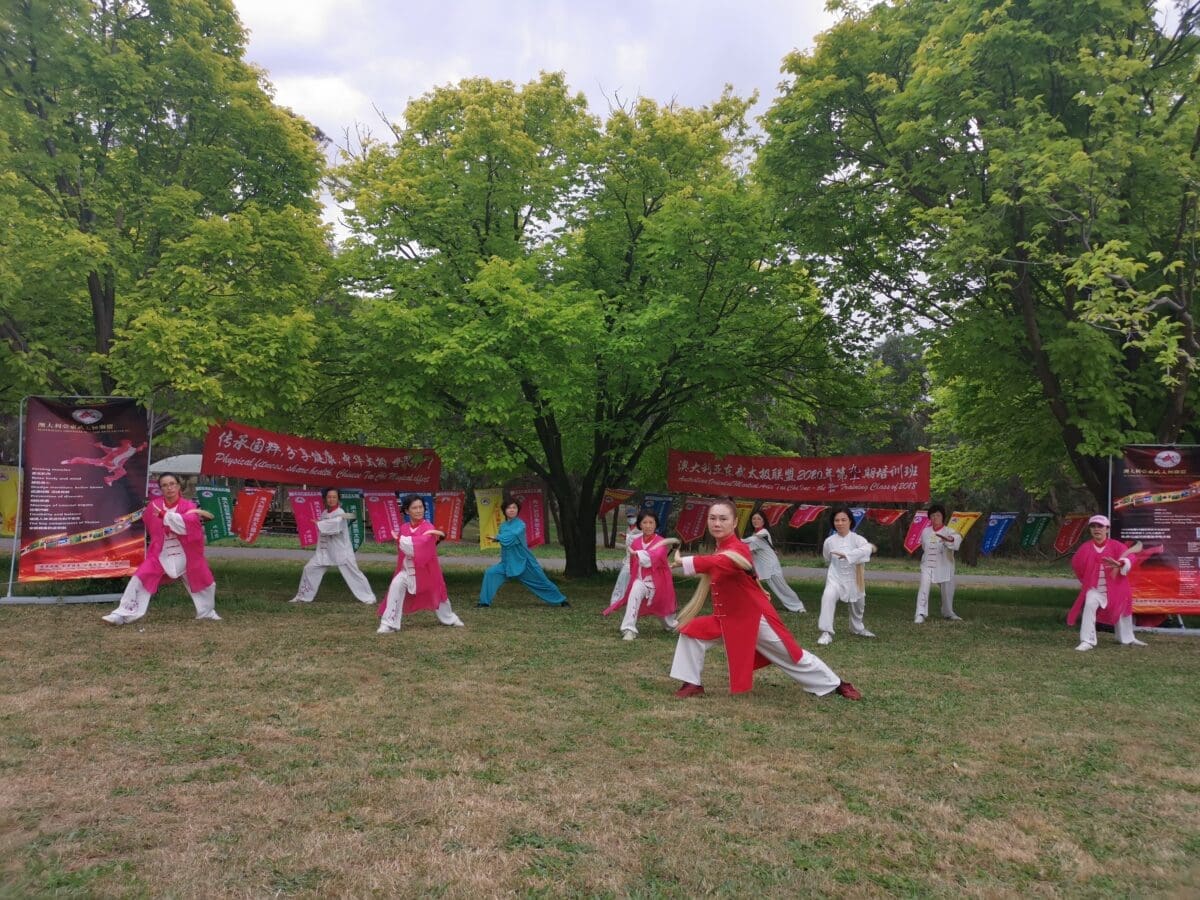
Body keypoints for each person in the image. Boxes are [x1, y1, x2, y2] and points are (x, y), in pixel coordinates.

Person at [668, 497, 860, 700]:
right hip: (727, 618)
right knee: (691, 633)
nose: (717, 523)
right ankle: (691, 683)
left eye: (723, 519)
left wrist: (684, 561)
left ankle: (837, 684)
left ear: (734, 523)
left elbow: (721, 562)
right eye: (712, 518)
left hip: (752, 619)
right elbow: (747, 573)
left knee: (791, 655)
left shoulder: (736, 549)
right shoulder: (722, 547)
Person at [102, 473, 220, 625]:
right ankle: (122, 614)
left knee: (205, 581)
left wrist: (165, 516)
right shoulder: (154, 506)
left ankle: (207, 612)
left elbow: (186, 526)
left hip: (187, 554)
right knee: (140, 578)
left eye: (172, 484)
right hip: (161, 553)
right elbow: (149, 524)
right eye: (165, 485)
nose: (169, 488)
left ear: (178, 486)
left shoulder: (188, 506)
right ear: (161, 489)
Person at [377, 496, 465, 633]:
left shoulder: (428, 527)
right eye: (414, 508)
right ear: (407, 511)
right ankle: (388, 624)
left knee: (439, 596)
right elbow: (404, 548)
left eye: (421, 507)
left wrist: (402, 540)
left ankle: (450, 618)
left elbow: (417, 546)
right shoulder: (404, 528)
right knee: (395, 587)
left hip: (426, 572)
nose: (419, 510)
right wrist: (403, 539)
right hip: (407, 571)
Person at [1067, 514, 1154, 652]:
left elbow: (1130, 557)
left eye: (1100, 526)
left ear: (1107, 529)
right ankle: (1087, 641)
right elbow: (1077, 565)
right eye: (1093, 526)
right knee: (1089, 605)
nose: (1097, 529)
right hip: (1095, 589)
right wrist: (1087, 581)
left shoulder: (1116, 545)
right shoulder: (1085, 548)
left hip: (1116, 587)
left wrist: (1120, 563)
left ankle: (1126, 638)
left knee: (1122, 609)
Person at [289, 487, 376, 605]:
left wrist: (319, 523)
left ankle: (369, 597)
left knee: (354, 573)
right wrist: (320, 523)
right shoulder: (325, 513)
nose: (331, 499)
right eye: (329, 497)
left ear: (338, 499)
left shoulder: (340, 513)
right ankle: (303, 596)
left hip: (341, 551)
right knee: (309, 568)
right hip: (325, 551)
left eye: (334, 497)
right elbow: (325, 527)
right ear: (325, 499)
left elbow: (336, 525)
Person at [478, 497, 569, 608]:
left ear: (517, 510)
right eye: (509, 508)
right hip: (507, 563)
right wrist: (499, 538)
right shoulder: (503, 526)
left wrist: (498, 537)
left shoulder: (521, 525)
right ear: (504, 510)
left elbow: (513, 535)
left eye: (514, 507)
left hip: (524, 562)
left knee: (542, 582)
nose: (511, 510)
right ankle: (484, 603)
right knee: (491, 573)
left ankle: (561, 600)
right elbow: (507, 540)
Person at [602, 510, 679, 639]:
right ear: (640, 525)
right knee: (634, 594)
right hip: (641, 580)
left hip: (658, 582)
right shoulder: (636, 542)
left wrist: (637, 554)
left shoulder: (661, 542)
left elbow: (653, 557)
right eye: (645, 522)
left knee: (664, 611)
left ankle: (672, 626)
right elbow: (633, 565)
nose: (648, 525)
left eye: (651, 522)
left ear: (656, 525)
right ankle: (628, 629)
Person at [816, 506, 876, 645]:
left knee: (858, 605)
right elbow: (827, 558)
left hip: (855, 578)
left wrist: (848, 555)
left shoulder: (858, 539)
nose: (840, 523)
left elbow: (867, 549)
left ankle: (857, 628)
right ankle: (826, 632)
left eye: (844, 520)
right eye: (837, 520)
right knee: (828, 597)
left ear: (850, 522)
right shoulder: (829, 541)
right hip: (835, 578)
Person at [744, 510, 805, 613]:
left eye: (759, 519)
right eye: (754, 519)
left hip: (771, 567)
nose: (755, 521)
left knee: (781, 588)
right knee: (750, 582)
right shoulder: (756, 534)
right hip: (764, 566)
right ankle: (756, 604)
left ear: (763, 522)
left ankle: (798, 606)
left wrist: (733, 538)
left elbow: (751, 541)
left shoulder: (763, 533)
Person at [913, 504, 963, 623]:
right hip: (927, 565)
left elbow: (956, 541)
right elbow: (924, 546)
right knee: (924, 587)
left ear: (943, 517)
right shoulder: (925, 531)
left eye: (938, 515)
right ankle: (920, 613)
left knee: (947, 590)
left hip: (945, 565)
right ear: (930, 518)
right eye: (933, 515)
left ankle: (948, 612)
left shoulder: (949, 531)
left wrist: (949, 540)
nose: (935, 517)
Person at [607, 511, 640, 608]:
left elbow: (639, 538)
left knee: (635, 582)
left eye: (632, 516)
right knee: (622, 580)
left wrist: (626, 536)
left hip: (637, 559)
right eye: (628, 517)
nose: (630, 518)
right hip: (629, 559)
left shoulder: (640, 529)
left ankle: (629, 601)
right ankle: (616, 602)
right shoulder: (629, 529)